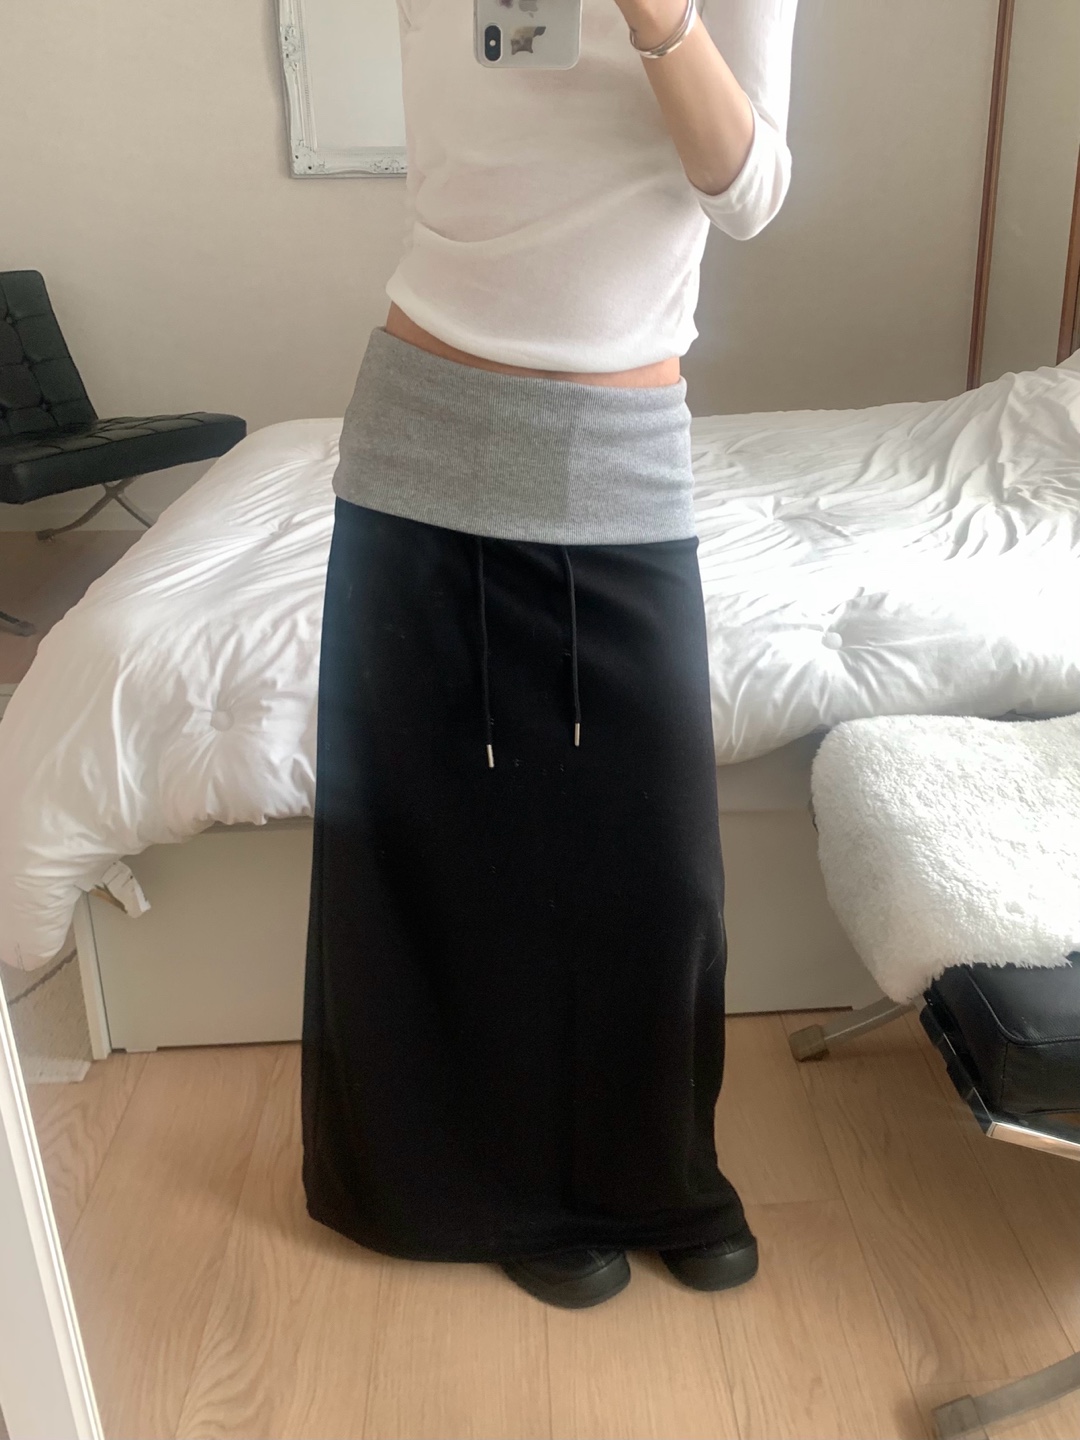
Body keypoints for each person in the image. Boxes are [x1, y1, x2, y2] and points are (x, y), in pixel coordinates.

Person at [301, 0, 799, 1310]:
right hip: (426, 434)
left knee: (659, 871)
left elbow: (749, 191)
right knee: (452, 848)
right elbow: (475, 162)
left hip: (620, 458)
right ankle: (490, 1189)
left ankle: (651, 1174)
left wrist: (659, 16)